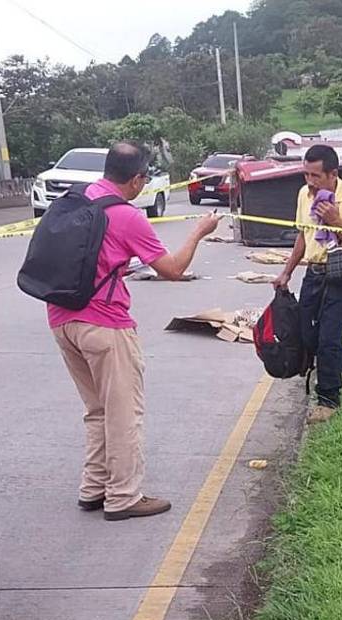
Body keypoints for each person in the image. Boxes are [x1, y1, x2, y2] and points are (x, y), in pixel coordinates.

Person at [51, 141, 223, 521]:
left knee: (96, 409)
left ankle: (94, 488)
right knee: (123, 412)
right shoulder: (127, 216)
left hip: (62, 319)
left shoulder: (79, 197)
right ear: (138, 179)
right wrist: (199, 232)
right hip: (104, 325)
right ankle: (124, 496)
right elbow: (173, 269)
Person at [273, 144, 342, 424]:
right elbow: (303, 236)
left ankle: (328, 400)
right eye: (306, 175)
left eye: (316, 176)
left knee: (328, 337)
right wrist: (286, 273)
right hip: (314, 272)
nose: (310, 182)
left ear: (332, 174)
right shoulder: (304, 195)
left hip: (341, 273)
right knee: (306, 334)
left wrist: (336, 221)